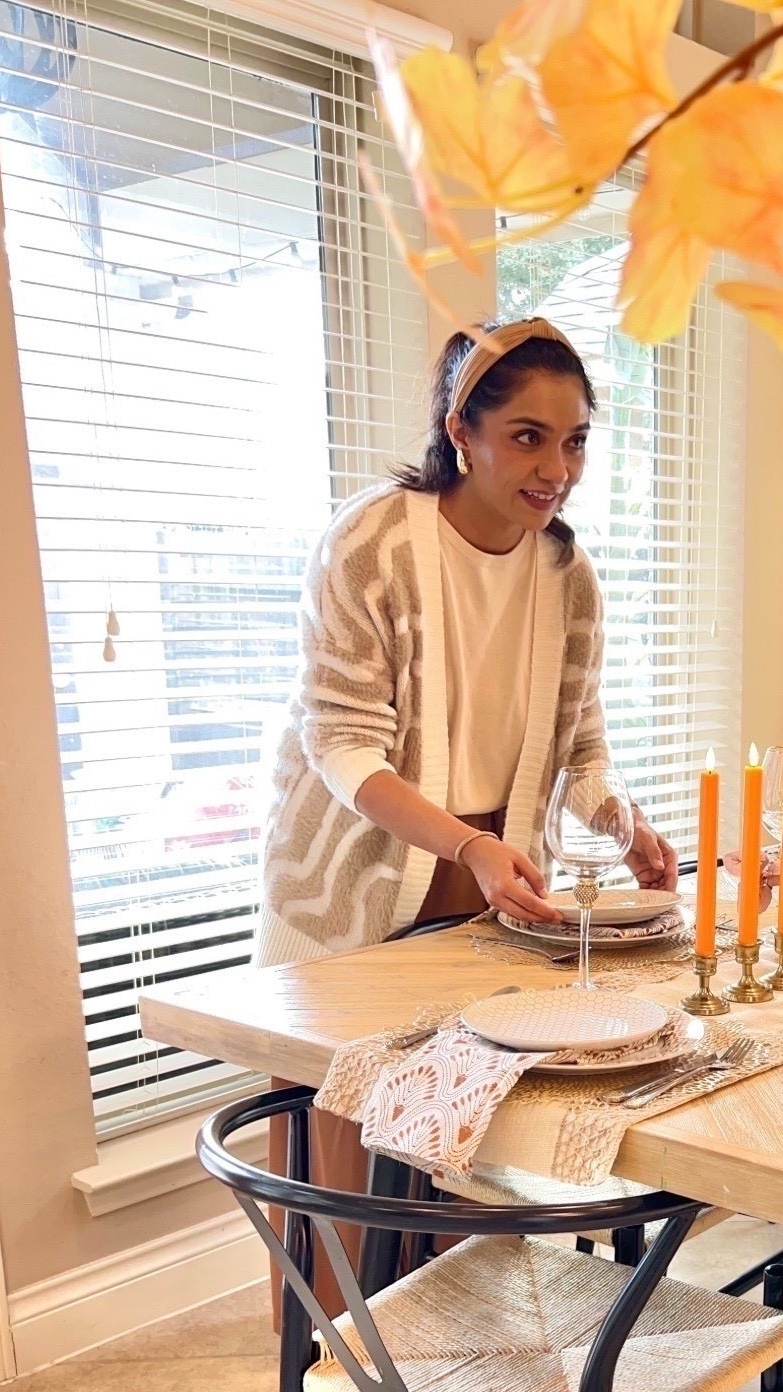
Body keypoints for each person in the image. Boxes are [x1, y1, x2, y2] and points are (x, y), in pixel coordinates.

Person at [256, 316, 677, 1303]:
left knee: (454, 1146)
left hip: (490, 891)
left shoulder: (566, 572)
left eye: (574, 440)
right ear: (463, 430)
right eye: (527, 435)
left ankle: (444, 1362)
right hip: (353, 885)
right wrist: (470, 844)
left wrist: (623, 822)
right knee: (347, 1157)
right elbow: (340, 741)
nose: (557, 467)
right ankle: (334, 1385)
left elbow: (578, 744)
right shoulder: (371, 542)